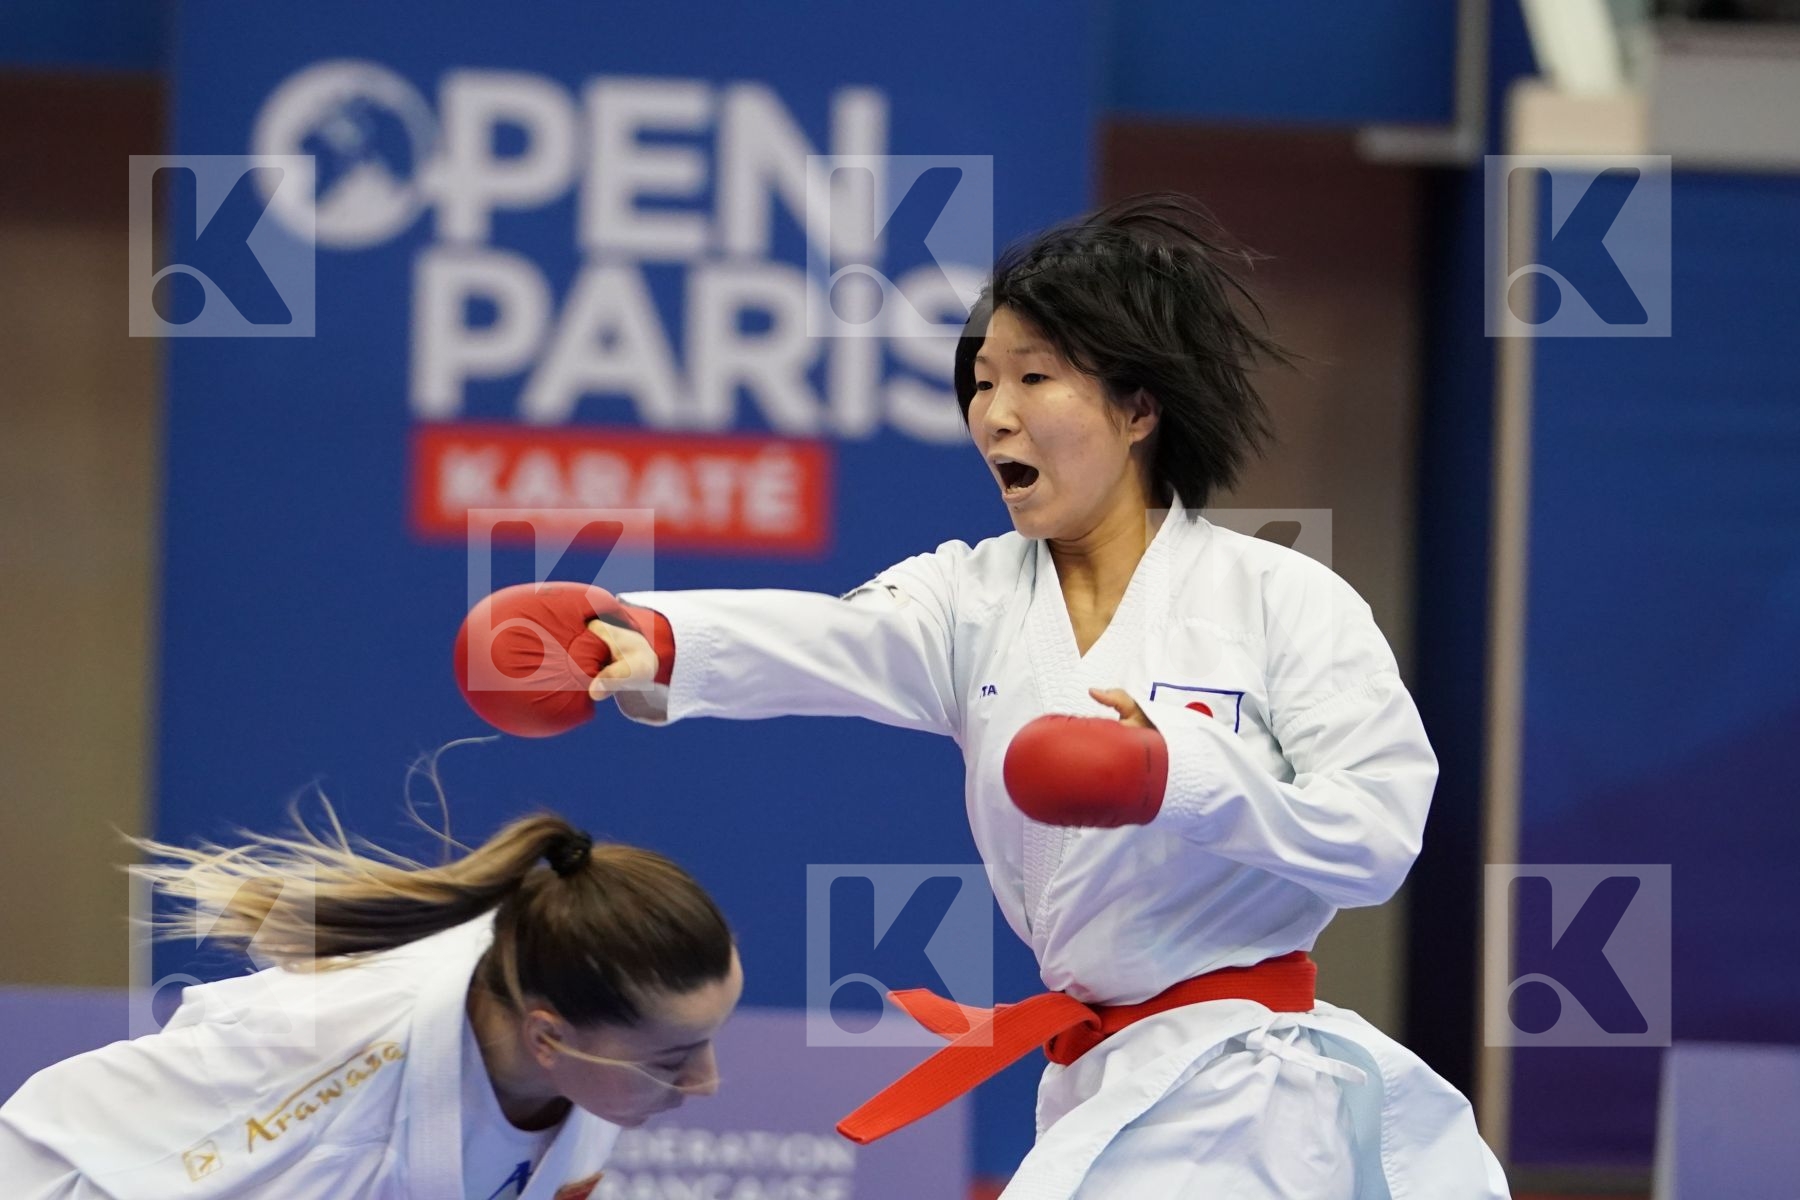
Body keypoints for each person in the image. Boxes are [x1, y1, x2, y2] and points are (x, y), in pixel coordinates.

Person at [456, 193, 1510, 1198]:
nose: (994, 414)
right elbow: (833, 636)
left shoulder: (1283, 599)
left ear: (1138, 406)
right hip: (1097, 1073)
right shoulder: (970, 596)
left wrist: (1173, 775)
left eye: (1034, 378)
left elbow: (1377, 834)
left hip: (1251, 1088)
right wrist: (651, 634)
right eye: (981, 382)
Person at [0, 809, 742, 1200]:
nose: (706, 1081)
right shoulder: (322, 1061)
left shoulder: (567, 1010)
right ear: (547, 1036)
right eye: (673, 1058)